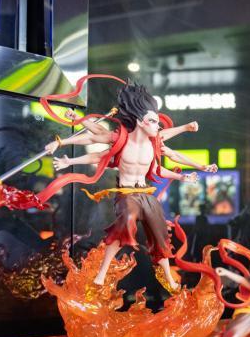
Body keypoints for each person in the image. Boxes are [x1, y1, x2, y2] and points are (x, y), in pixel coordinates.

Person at [46, 83, 216, 289]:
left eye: (157, 122)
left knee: (160, 233)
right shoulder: (121, 140)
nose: (158, 126)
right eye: (153, 121)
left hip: (146, 193)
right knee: (125, 222)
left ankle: (169, 278)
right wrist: (63, 146)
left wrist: (194, 166)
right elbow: (94, 139)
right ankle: (102, 272)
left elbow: (169, 159)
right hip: (126, 194)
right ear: (140, 122)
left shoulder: (154, 143)